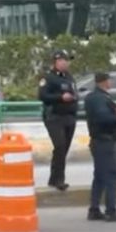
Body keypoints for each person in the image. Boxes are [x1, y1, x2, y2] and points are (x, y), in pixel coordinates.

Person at [84, 73, 116, 223]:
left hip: (100, 141)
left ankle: (94, 209)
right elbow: (104, 119)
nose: (111, 82)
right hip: (104, 141)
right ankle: (111, 211)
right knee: (110, 175)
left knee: (100, 177)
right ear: (103, 82)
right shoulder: (99, 99)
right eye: (109, 80)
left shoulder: (96, 97)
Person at [39, 49, 78, 191]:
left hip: (69, 116)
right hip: (54, 116)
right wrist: (60, 98)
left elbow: (75, 93)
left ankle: (54, 178)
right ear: (55, 62)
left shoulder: (69, 77)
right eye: (61, 60)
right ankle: (59, 180)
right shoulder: (49, 78)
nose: (64, 63)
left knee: (63, 149)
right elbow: (42, 95)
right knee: (60, 145)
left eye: (66, 60)